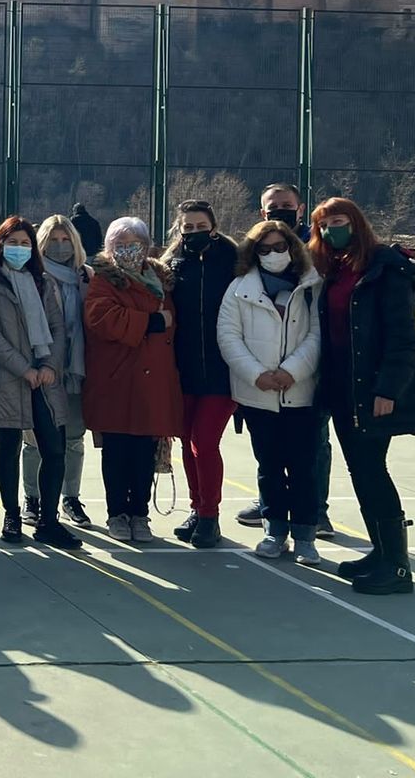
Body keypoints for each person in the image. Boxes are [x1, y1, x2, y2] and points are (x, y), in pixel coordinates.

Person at [310, 198, 415, 595]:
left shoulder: (385, 267)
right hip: (342, 390)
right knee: (361, 472)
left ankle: (398, 568)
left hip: (372, 391)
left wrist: (388, 389)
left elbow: (403, 339)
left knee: (372, 471)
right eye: (324, 225)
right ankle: (381, 551)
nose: (332, 230)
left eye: (339, 221)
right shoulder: (334, 269)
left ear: (356, 223)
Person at [217, 220, 324, 565]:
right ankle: (274, 531)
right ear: (253, 253)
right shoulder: (237, 289)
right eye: (265, 249)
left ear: (293, 248)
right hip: (258, 395)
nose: (274, 254)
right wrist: (257, 375)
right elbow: (228, 337)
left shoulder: (311, 286)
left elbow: (318, 337)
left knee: (305, 467)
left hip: (302, 393)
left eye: (280, 247)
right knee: (270, 466)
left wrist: (291, 371)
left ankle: (306, 536)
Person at [0, 217, 78, 549]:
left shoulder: (44, 283)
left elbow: (58, 329)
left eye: (25, 243)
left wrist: (49, 365)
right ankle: (12, 514)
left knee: (55, 449)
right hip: (6, 378)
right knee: (9, 447)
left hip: (44, 378)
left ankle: (48, 521)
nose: (19, 249)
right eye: (12, 242)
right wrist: (23, 369)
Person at [236, 182, 334, 540]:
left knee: (313, 447)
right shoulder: (252, 256)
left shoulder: (318, 251)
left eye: (286, 205)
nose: (280, 211)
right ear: (262, 213)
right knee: (270, 450)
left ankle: (316, 512)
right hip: (263, 376)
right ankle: (270, 507)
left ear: (300, 207)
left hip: (308, 373)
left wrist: (295, 368)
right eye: (272, 206)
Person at [82, 216, 183, 543]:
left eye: (134, 244)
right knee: (116, 452)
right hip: (115, 379)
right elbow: (100, 318)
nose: (127, 250)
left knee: (144, 453)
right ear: (110, 248)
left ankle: (140, 513)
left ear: (146, 246)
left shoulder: (161, 279)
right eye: (120, 245)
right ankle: (117, 513)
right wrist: (152, 321)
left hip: (153, 380)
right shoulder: (103, 279)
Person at [162, 199, 239, 550]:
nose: (194, 232)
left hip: (223, 371)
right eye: (187, 227)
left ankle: (210, 515)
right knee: (187, 444)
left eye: (200, 226)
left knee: (204, 443)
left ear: (213, 225)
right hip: (183, 370)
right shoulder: (171, 265)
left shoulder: (234, 260)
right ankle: (197, 508)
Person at [24, 214, 93, 528]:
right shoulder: (31, 277)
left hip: (75, 371)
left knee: (74, 439)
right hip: (42, 369)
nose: (60, 246)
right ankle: (32, 499)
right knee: (36, 439)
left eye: (66, 240)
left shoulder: (88, 277)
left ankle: (71, 497)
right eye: (53, 240)